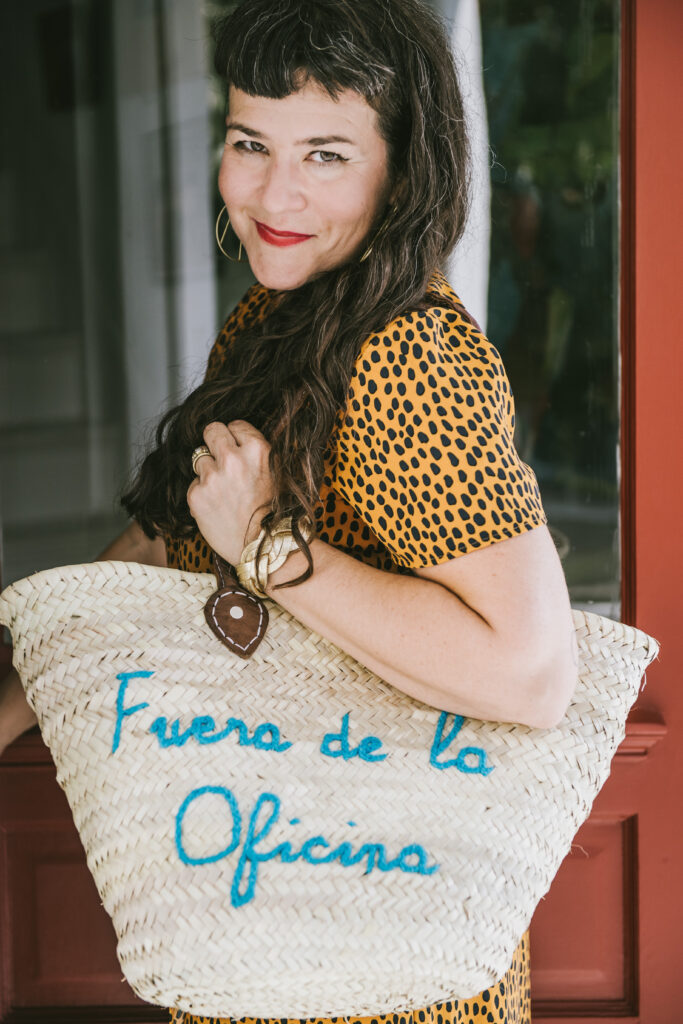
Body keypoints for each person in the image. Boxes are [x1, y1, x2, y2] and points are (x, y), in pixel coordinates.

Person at [0, 0, 580, 1022]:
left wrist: (268, 546)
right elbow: (183, 525)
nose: (273, 191)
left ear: (402, 170)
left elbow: (530, 673)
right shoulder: (285, 309)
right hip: (272, 904)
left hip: (381, 972)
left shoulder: (409, 357)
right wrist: (23, 687)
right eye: (249, 142)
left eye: (324, 154)